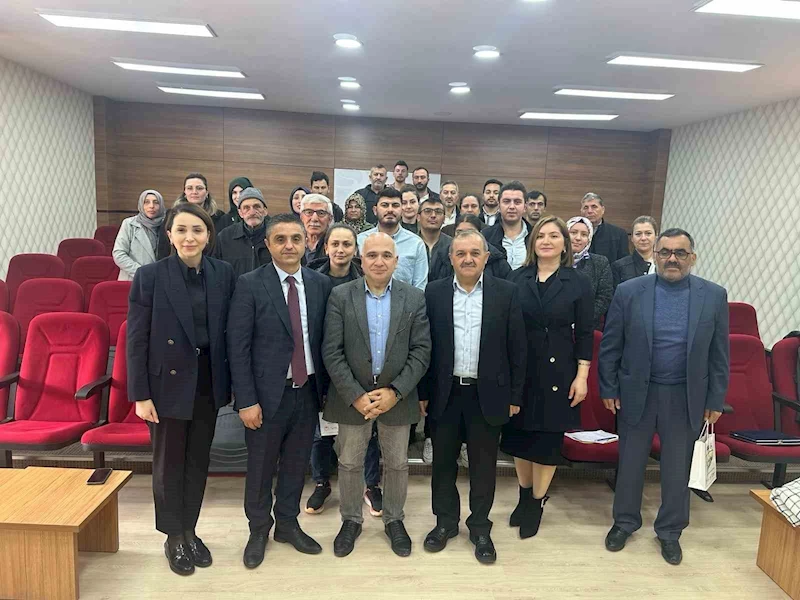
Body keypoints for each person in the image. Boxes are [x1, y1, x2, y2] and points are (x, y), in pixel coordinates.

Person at [599, 228, 730, 566]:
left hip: (685, 396)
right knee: (630, 463)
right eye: (666, 252)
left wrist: (715, 398)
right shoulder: (629, 291)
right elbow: (611, 344)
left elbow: (719, 354)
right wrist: (609, 387)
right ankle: (624, 522)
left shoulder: (713, 295)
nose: (672, 258)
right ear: (655, 256)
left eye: (680, 252)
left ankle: (670, 531)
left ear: (693, 257)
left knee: (676, 469)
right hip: (636, 392)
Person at [127, 202, 236, 576]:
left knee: (197, 462)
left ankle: (190, 530)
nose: (190, 237)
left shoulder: (223, 273)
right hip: (165, 386)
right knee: (168, 465)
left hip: (207, 381)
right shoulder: (150, 276)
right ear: (170, 235)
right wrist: (140, 394)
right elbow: (136, 339)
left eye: (197, 230)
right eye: (182, 230)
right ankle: (173, 536)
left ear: (208, 236)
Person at [228, 213, 333, 569]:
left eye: (296, 239)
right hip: (265, 396)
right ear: (268, 244)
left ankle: (287, 524)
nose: (289, 246)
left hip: (307, 392)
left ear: (306, 242)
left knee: (295, 464)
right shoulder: (249, 284)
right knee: (260, 468)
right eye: (280, 239)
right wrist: (246, 401)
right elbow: (238, 347)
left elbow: (324, 341)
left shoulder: (320, 284)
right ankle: (259, 529)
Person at [322, 232, 431, 558]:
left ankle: (394, 520)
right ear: (361, 260)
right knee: (349, 462)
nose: (379, 261)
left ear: (396, 261)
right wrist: (356, 395)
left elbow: (421, 351)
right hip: (352, 397)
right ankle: (350, 520)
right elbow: (331, 351)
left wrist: (396, 392)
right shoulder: (341, 295)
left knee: (397, 463)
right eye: (372, 255)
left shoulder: (414, 298)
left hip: (397, 397)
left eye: (386, 255)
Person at [422, 230, 526, 564]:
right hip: (445, 393)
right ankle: (445, 523)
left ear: (486, 257)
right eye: (461, 253)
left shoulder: (506, 292)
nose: (468, 259)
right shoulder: (434, 292)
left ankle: (480, 527)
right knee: (442, 465)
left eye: (475, 253)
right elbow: (425, 347)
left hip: (488, 394)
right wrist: (423, 393)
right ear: (450, 258)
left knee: (483, 467)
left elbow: (518, 348)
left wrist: (515, 395)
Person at [501, 215, 593, 539]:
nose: (547, 241)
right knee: (520, 438)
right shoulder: (517, 277)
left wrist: (582, 376)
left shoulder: (578, 282)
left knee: (546, 442)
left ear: (565, 244)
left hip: (559, 371)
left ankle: (537, 502)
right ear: (533, 242)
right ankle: (524, 495)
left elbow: (585, 334)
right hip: (521, 371)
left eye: (554, 236)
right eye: (541, 236)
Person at [305, 224, 383, 517]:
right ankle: (322, 482)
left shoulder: (365, 280)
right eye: (335, 244)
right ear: (325, 247)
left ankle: (371, 484)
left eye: (347, 244)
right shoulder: (310, 279)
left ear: (356, 250)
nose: (340, 250)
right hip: (319, 365)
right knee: (321, 431)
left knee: (368, 429)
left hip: (358, 367)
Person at [357, 188, 428, 290]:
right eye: (385, 205)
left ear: (402, 210)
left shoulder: (416, 244)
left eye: (395, 205)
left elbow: (420, 286)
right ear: (375, 210)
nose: (390, 210)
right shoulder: (361, 241)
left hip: (406, 299)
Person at [158, 173, 226, 259]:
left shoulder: (220, 217)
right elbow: (164, 247)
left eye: (199, 188)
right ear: (185, 193)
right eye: (189, 188)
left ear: (207, 193)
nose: (194, 192)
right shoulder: (171, 215)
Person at [213, 187, 272, 279]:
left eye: (257, 207)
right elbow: (216, 271)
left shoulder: (275, 235)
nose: (252, 212)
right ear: (240, 213)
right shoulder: (225, 237)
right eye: (246, 208)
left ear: (265, 211)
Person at [567, 216, 613, 330]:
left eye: (584, 234)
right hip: (557, 327)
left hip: (589, 327)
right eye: (573, 232)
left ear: (589, 238)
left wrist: (582, 319)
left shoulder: (600, 263)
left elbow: (604, 297)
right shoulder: (553, 261)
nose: (578, 238)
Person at [113, 189, 165, 281]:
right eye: (146, 202)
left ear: (161, 205)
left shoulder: (167, 224)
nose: (151, 206)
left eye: (156, 202)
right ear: (141, 205)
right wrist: (141, 272)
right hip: (134, 279)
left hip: (161, 280)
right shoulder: (129, 224)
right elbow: (119, 254)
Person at [483, 181, 532, 271]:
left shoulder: (536, 236)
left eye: (517, 202)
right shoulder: (485, 236)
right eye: (506, 201)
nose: (512, 206)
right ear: (499, 206)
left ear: (525, 207)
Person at [450, 215, 511, 280]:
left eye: (470, 232)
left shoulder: (497, 259)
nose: (465, 236)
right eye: (459, 232)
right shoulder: (444, 256)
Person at [581, 192, 629, 264]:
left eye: (594, 207)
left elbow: (624, 264)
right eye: (586, 207)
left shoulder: (618, 234)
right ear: (581, 211)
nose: (589, 211)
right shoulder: (572, 233)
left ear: (603, 210)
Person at [612, 216, 658, 287]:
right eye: (638, 234)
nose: (643, 238)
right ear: (632, 238)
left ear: (656, 236)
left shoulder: (663, 264)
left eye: (648, 233)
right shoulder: (619, 266)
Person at [419, 196, 453, 284]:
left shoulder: (452, 245)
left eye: (438, 212)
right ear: (418, 217)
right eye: (427, 211)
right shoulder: (411, 243)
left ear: (444, 218)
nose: (433, 215)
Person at [299, 193, 334, 266]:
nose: (314, 219)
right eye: (309, 212)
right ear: (301, 217)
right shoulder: (294, 242)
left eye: (321, 213)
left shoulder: (335, 244)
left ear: (330, 219)